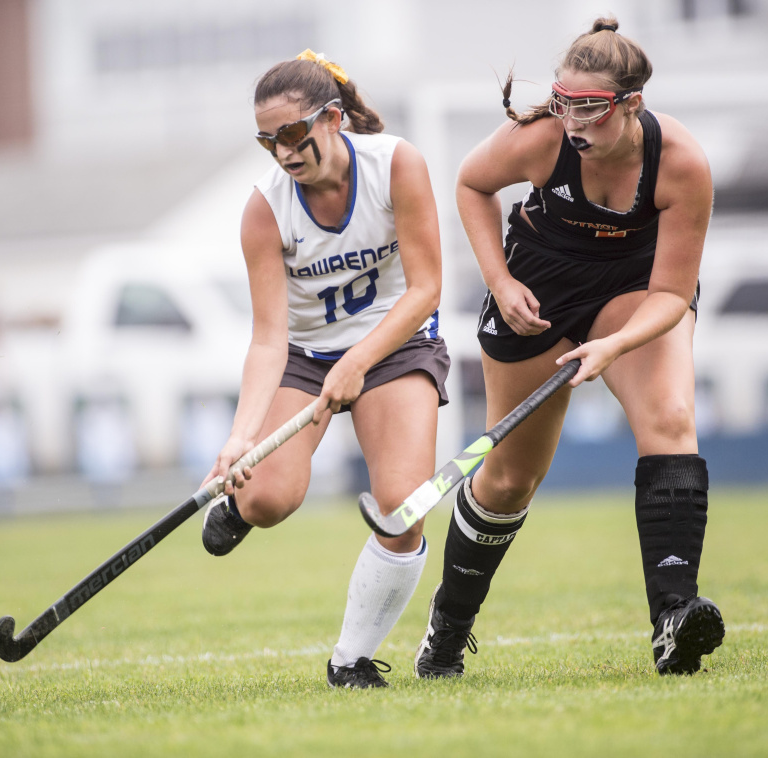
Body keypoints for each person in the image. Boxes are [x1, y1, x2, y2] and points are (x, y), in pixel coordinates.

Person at [414, 17, 725, 679]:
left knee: (670, 419)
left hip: (634, 288)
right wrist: (498, 283)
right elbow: (471, 185)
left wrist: (611, 345)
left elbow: (670, 296)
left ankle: (673, 616)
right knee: (507, 479)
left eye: (588, 107)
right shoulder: (540, 140)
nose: (573, 120)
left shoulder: (681, 163)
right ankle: (448, 625)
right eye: (563, 102)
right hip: (539, 286)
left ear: (630, 104)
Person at [200, 49, 449, 688]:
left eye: (292, 134)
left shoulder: (397, 164)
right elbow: (268, 339)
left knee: (402, 508)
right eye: (268, 140)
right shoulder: (265, 210)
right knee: (268, 497)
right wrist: (239, 438)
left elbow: (425, 288)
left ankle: (350, 661)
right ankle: (242, 507)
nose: (283, 153)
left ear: (332, 118)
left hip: (397, 346)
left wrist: (362, 359)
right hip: (308, 359)